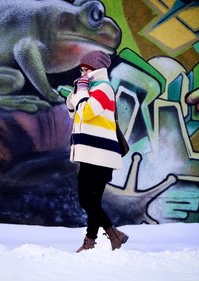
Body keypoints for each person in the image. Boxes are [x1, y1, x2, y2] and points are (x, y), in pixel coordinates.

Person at [66, 50, 129, 252]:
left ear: (97, 70)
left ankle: (95, 241)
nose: (83, 73)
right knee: (91, 201)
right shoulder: (90, 89)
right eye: (82, 70)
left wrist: (82, 93)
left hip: (101, 155)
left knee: (88, 200)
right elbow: (72, 112)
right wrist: (78, 92)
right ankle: (111, 236)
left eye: (87, 69)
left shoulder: (104, 88)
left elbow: (86, 112)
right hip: (91, 154)